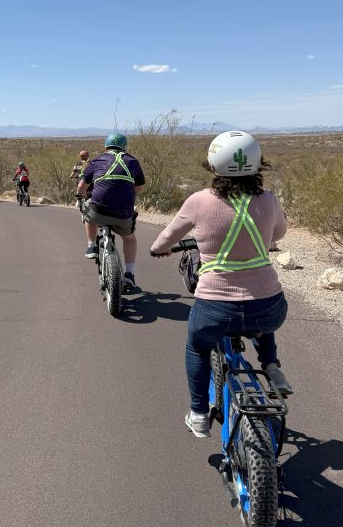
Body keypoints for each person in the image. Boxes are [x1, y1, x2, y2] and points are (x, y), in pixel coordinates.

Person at [149, 131, 292, 439]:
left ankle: (199, 414)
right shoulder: (268, 199)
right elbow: (279, 233)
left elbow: (166, 238)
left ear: (213, 165)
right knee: (260, 311)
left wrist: (159, 249)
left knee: (197, 347)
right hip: (269, 306)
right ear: (257, 164)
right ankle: (271, 366)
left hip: (216, 308)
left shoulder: (199, 201)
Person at [76, 133, 145, 290]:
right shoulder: (133, 162)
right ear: (124, 147)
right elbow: (139, 187)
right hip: (124, 211)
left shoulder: (96, 161)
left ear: (106, 147)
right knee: (129, 238)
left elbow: (81, 187)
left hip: (99, 209)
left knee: (87, 210)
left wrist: (81, 197)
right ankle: (130, 275)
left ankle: (91, 246)